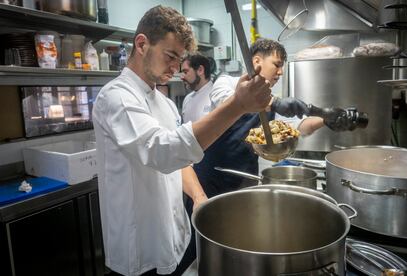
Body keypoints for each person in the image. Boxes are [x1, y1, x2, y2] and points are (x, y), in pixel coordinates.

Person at [92, 5, 275, 276]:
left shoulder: (164, 104)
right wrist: (238, 104)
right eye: (170, 56)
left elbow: (181, 159)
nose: (177, 68)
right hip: (139, 249)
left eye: (180, 59)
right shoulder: (116, 97)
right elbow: (163, 152)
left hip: (172, 237)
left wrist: (199, 198)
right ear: (142, 44)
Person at [182, 38, 345, 266]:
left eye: (282, 67)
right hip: (208, 181)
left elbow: (300, 127)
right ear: (256, 61)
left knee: (234, 244)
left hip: (242, 182)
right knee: (198, 248)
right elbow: (229, 102)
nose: (280, 72)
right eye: (276, 64)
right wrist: (275, 103)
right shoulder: (227, 82)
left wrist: (327, 118)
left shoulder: (270, 99)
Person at [180, 54, 213, 123]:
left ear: (200, 70)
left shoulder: (216, 97)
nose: (182, 77)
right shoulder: (187, 99)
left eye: (185, 72)